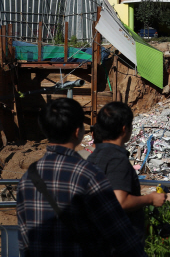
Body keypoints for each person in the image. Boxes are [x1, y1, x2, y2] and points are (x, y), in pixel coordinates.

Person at [16, 98, 146, 257]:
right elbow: (117, 230)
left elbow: (24, 239)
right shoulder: (89, 175)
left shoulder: (28, 178)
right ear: (78, 132)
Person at [88, 102, 166, 241]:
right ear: (125, 129)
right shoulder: (117, 160)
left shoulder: (93, 157)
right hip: (120, 243)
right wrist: (151, 199)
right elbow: (120, 202)